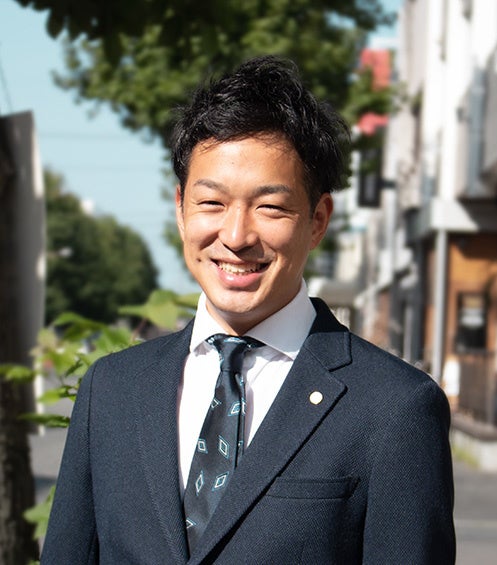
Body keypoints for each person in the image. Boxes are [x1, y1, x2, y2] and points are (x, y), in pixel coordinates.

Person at [42, 56, 455, 564]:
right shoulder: (111, 390)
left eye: (270, 207)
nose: (236, 237)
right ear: (181, 209)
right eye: (211, 204)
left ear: (317, 219)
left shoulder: (395, 409)